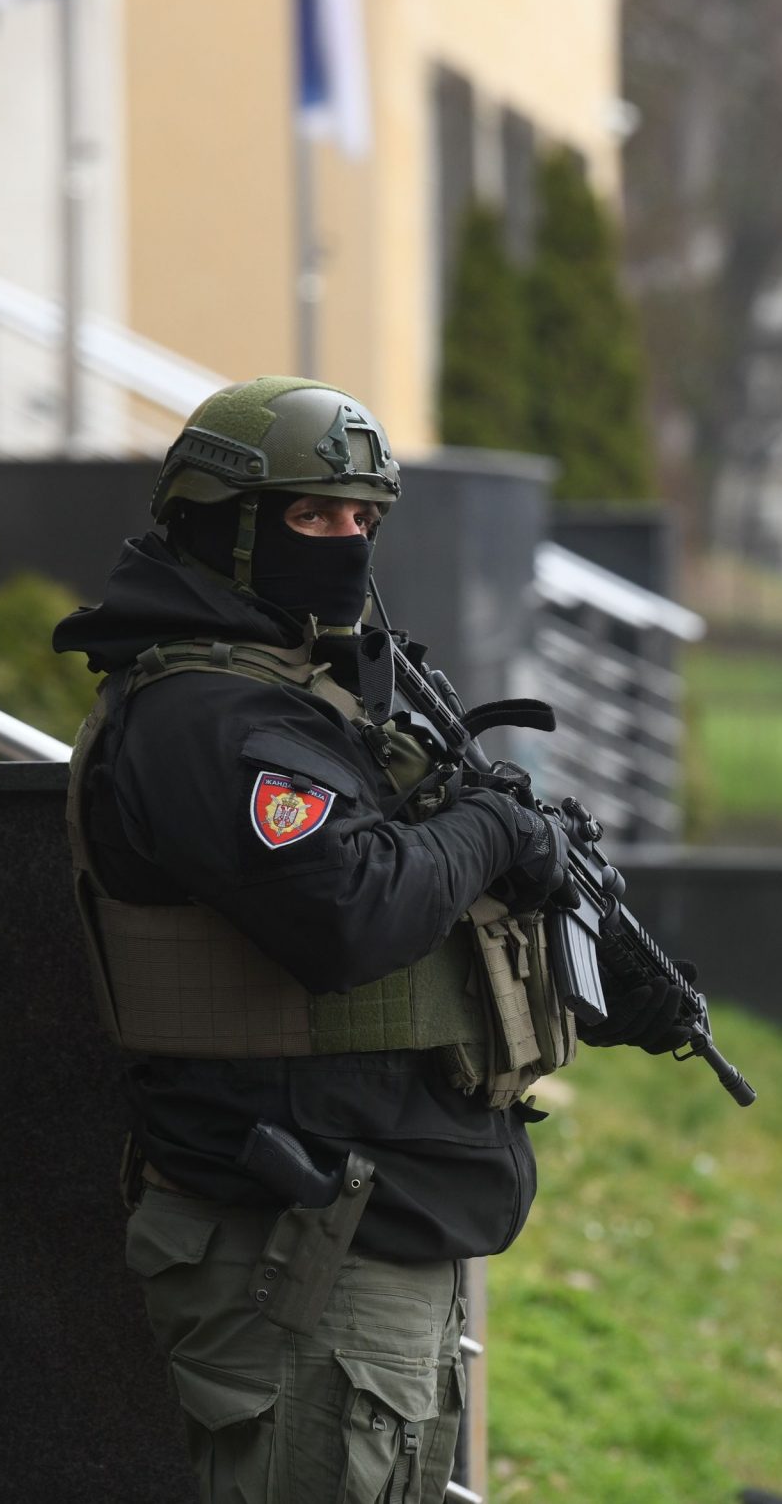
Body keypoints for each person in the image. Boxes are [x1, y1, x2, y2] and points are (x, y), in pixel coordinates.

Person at [53, 377, 700, 1503]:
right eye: (313, 516)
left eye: (363, 519)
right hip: (293, 1244)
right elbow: (346, 912)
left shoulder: (308, 692)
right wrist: (493, 828)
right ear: (223, 526)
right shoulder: (209, 716)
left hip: (363, 1224)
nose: (347, 543)